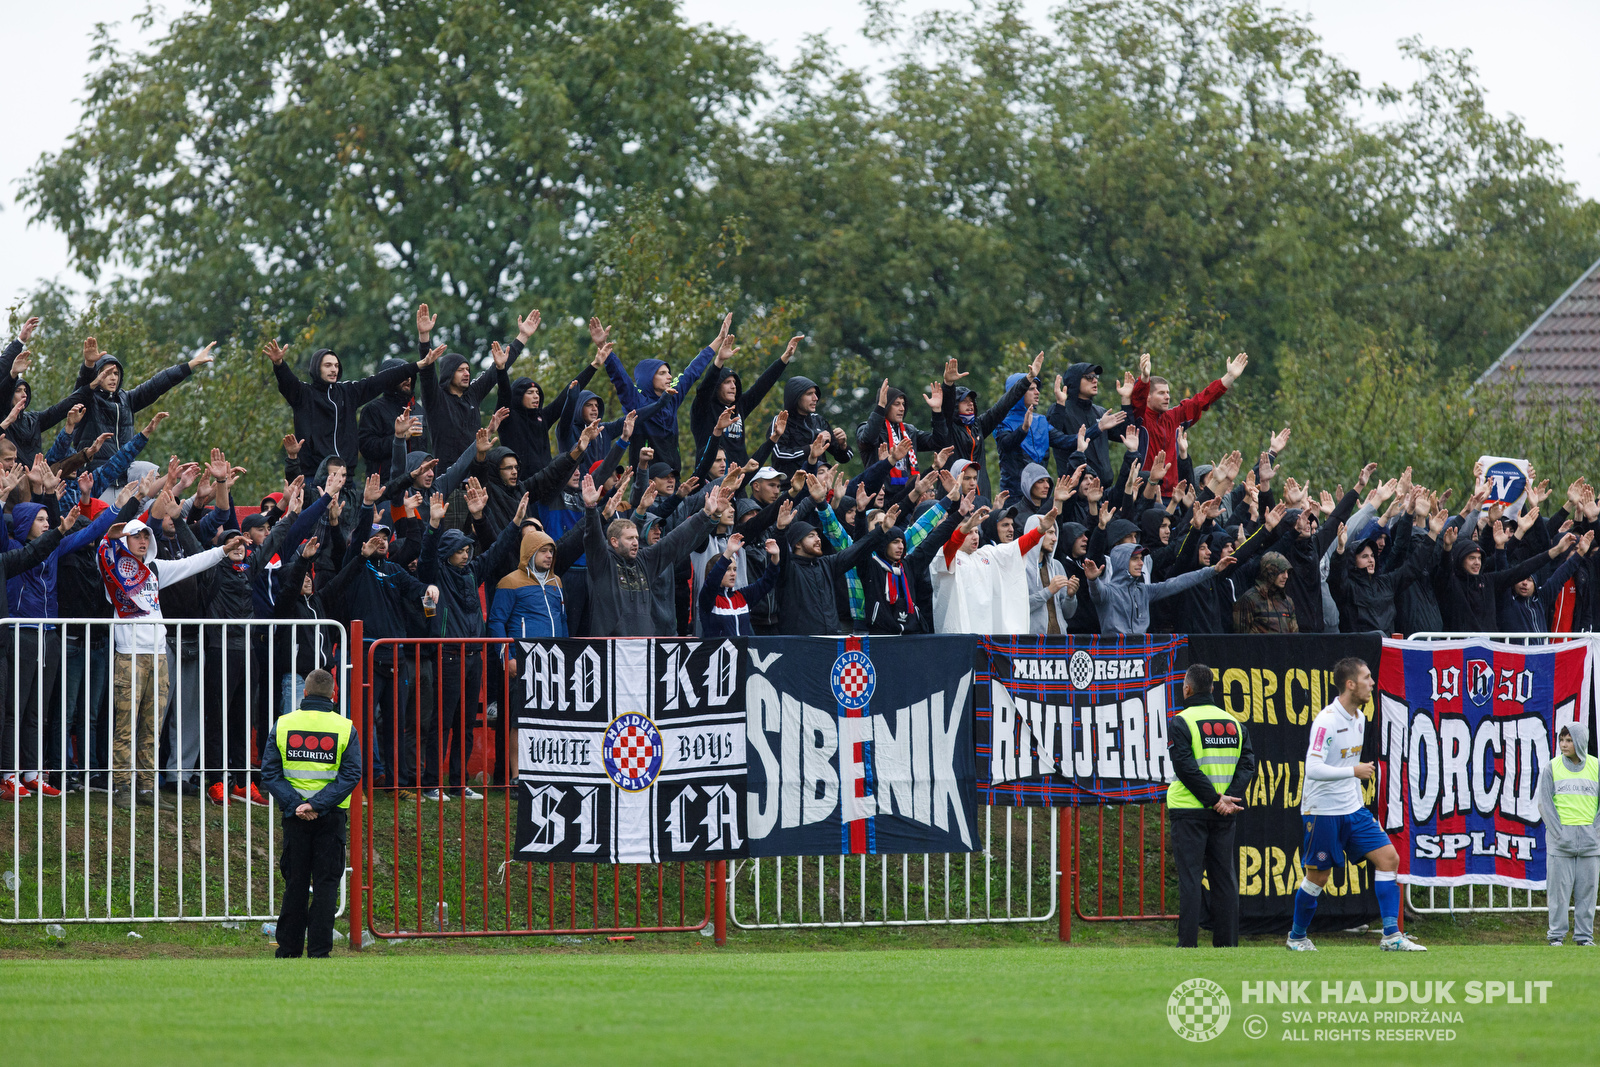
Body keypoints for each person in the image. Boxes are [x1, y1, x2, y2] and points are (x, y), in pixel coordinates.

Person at [1287, 657, 1425, 951]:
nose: (1372, 683)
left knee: (1389, 859)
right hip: (1323, 811)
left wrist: (1353, 781)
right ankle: (1296, 937)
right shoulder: (1326, 720)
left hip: (1353, 808)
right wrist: (1354, 771)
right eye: (1366, 678)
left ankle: (1391, 937)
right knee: (1318, 878)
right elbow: (1312, 768)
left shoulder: (1360, 718)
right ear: (1350, 684)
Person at [261, 668, 362, 958]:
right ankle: (319, 951)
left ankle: (288, 949)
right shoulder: (345, 727)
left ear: (304, 693)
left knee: (296, 883)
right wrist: (318, 804)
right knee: (327, 884)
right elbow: (351, 774)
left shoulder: (284, 724)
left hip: (295, 817)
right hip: (330, 817)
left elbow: (270, 771)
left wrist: (297, 805)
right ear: (334, 694)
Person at [1167, 663, 1256, 948]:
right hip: (1224, 813)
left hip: (1189, 809)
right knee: (1225, 880)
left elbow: (1185, 768)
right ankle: (1227, 945)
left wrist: (1215, 799)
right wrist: (1227, 798)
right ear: (1213, 689)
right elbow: (1247, 765)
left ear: (1187, 689)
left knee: (1191, 879)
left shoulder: (1182, 722)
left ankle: (1188, 944)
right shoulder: (1235, 724)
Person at [267, 335, 439, 478]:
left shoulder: (348, 392)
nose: (333, 369)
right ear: (316, 368)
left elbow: (380, 380)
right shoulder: (303, 394)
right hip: (315, 476)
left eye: (336, 365)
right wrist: (279, 365)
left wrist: (418, 366)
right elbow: (288, 383)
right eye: (327, 365)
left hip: (345, 478)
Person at [601, 314, 722, 472]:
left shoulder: (672, 397)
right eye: (662, 373)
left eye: (669, 372)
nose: (670, 376)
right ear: (648, 378)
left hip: (672, 479)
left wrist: (719, 340)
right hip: (646, 482)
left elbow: (692, 372)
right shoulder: (636, 401)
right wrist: (603, 348)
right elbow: (619, 377)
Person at [1128, 351, 1248, 496]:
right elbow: (1136, 400)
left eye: (1168, 392)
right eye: (1161, 393)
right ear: (1148, 397)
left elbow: (1202, 400)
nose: (1167, 397)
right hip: (1144, 493)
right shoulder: (1140, 419)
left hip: (1173, 496)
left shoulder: (1173, 417)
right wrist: (1145, 379)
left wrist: (1229, 377)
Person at [691, 332, 801, 467]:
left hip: (739, 477)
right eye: (727, 382)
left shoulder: (740, 406)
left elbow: (762, 385)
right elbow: (705, 389)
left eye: (734, 383)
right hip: (710, 478)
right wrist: (719, 361)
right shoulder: (704, 409)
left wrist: (785, 358)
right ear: (716, 387)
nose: (733, 386)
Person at [1082, 541, 1234, 637]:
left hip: (1141, 657)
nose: (1141, 563)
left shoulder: (1144, 590)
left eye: (1141, 559)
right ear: (1121, 562)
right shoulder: (1108, 592)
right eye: (1135, 559)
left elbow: (1178, 582)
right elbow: (1096, 592)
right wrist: (1092, 579)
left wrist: (1213, 570)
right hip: (1114, 659)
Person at [1536, 723, 1598, 946]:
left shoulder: (1596, 767)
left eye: (1569, 740)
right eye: (1562, 740)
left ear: (1580, 741)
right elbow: (1544, 803)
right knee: (1558, 894)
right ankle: (1556, 937)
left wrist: (1595, 832)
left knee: (1588, 894)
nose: (1564, 744)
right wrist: (1559, 834)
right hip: (1560, 843)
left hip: (1591, 844)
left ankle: (1584, 937)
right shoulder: (1551, 768)